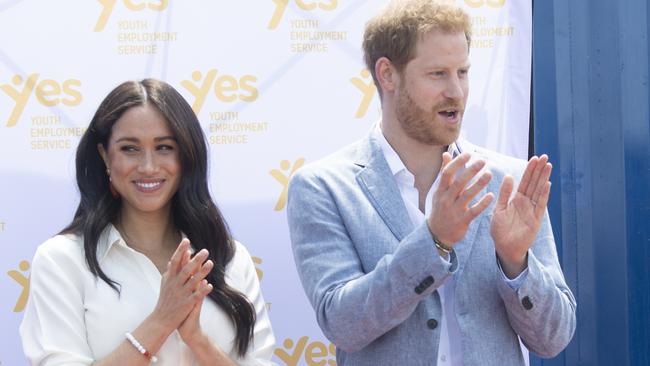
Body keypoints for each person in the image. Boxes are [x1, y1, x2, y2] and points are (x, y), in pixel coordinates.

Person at [286, 1, 576, 365]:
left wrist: (516, 263)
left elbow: (554, 339)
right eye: (438, 74)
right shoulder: (323, 187)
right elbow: (343, 325)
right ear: (387, 74)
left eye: (463, 72)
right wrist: (433, 241)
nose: (456, 91)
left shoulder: (509, 183)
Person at [20, 79, 275, 365]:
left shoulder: (228, 256)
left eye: (164, 147)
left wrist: (197, 339)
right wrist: (161, 321)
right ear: (105, 155)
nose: (149, 167)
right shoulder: (62, 260)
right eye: (130, 149)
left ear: (187, 156)